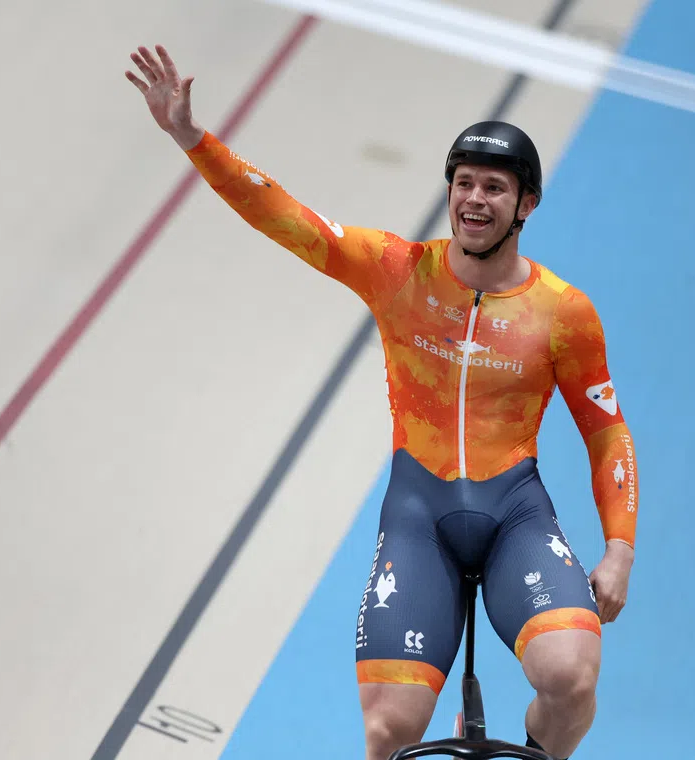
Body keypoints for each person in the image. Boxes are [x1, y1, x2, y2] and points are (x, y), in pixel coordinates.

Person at [126, 44, 639, 760]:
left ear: (526, 204)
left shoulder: (563, 312)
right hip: (419, 516)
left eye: (494, 187)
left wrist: (617, 551)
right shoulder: (398, 271)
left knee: (572, 679)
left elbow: (607, 432)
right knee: (387, 732)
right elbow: (284, 216)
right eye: (464, 183)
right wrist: (192, 138)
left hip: (513, 513)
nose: (474, 199)